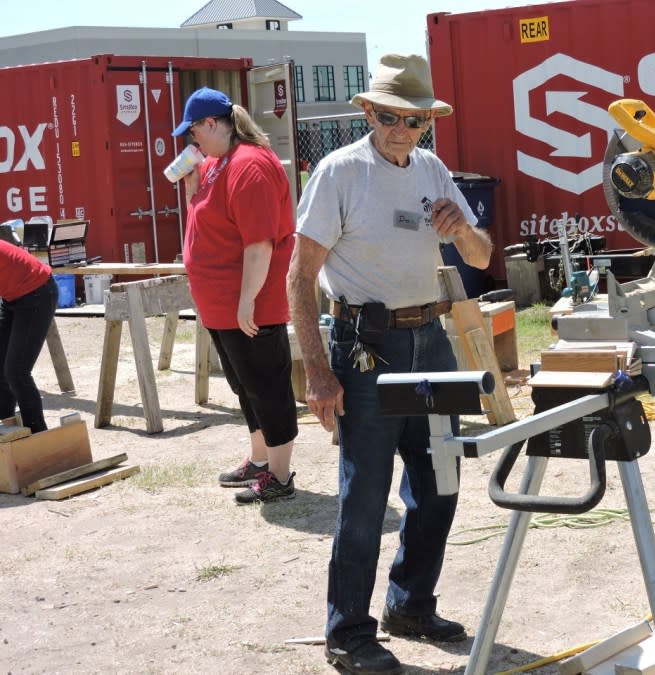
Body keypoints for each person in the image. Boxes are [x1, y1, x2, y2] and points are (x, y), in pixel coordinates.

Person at [288, 53, 493, 674]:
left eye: (416, 119)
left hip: (429, 339)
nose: (403, 129)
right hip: (364, 347)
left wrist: (462, 231)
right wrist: (319, 374)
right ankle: (348, 631)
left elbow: (482, 257)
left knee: (439, 487)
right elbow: (300, 278)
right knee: (367, 496)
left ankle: (410, 604)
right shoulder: (340, 172)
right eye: (390, 116)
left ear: (429, 121)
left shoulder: (431, 168)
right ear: (369, 112)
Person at [172, 87, 298, 504]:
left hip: (249, 304)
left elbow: (259, 243)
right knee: (245, 385)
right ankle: (260, 460)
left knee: (267, 385)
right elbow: (208, 226)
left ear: (212, 124)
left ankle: (280, 474)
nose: (192, 142)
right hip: (221, 304)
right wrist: (192, 185)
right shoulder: (214, 165)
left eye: (193, 132)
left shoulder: (249, 165)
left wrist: (247, 299)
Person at [0, 239, 58, 433]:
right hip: (12, 298)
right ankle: (7, 434)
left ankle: (39, 435)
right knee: (2, 370)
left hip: (37, 293)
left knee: (16, 372)